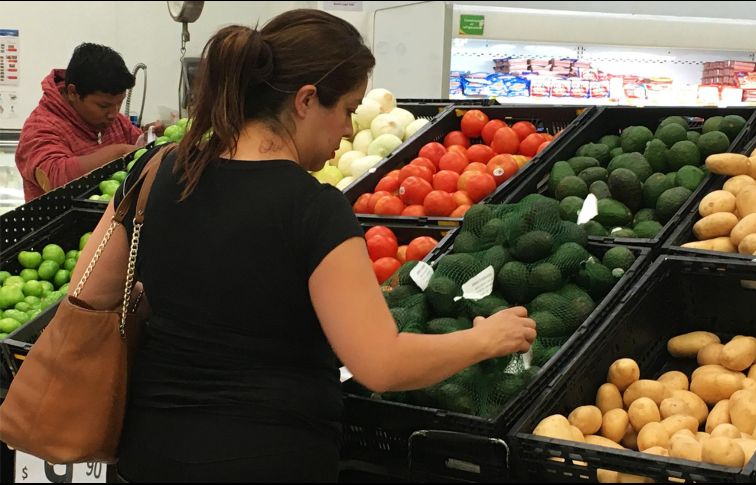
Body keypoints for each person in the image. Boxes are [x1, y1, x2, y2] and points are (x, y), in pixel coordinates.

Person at [70, 9, 536, 482]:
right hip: (269, 458)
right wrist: (483, 339)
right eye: (348, 109)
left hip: (148, 454)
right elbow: (381, 364)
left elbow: (89, 291)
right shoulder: (314, 210)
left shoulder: (158, 171)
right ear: (307, 100)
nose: (349, 130)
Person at [15, 43, 158, 201]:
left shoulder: (115, 121)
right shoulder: (39, 128)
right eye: (104, 105)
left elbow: (138, 148)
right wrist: (118, 153)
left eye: (119, 103)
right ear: (73, 92)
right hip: (67, 225)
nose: (113, 113)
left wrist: (151, 138)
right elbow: (55, 179)